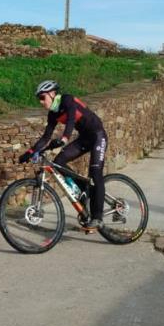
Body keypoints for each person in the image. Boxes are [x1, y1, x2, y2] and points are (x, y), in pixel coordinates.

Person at [18, 80, 108, 231]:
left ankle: (97, 218)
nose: (41, 102)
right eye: (38, 99)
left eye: (42, 97)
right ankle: (84, 188)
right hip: (85, 138)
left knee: (95, 173)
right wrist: (30, 152)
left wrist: (65, 138)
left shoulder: (67, 99)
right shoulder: (53, 114)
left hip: (98, 135)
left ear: (52, 94)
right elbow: (46, 137)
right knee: (58, 161)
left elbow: (71, 119)